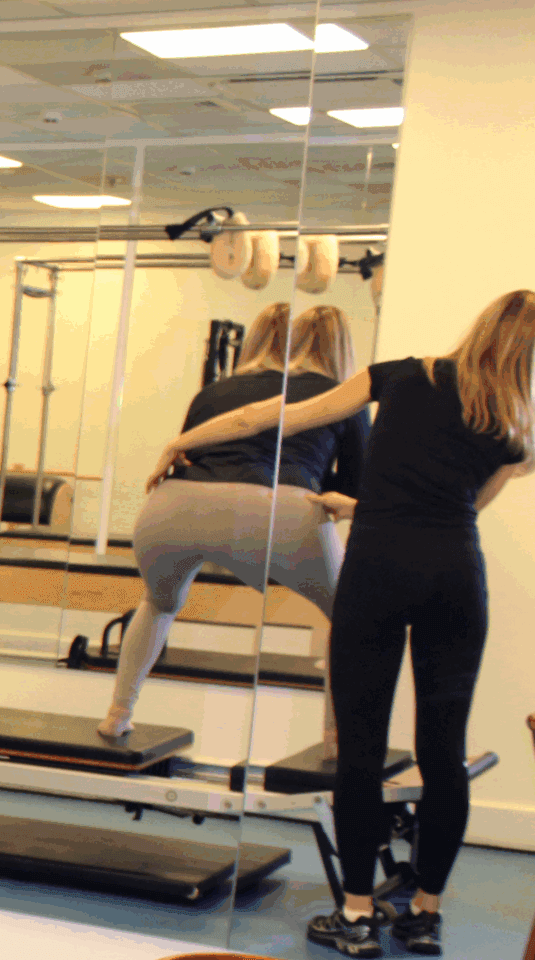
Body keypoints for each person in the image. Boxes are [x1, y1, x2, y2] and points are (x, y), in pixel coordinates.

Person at [151, 288, 535, 960]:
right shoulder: (517, 430)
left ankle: (356, 913)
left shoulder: (400, 375)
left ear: (482, 326)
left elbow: (271, 417)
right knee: (444, 752)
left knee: (360, 747)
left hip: (379, 571)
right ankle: (425, 915)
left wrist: (181, 441)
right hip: (454, 578)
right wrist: (357, 504)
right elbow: (457, 507)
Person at [99, 302, 366, 743]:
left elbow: (190, 455)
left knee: (159, 604)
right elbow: (358, 484)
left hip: (174, 506)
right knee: (350, 619)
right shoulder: (341, 396)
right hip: (280, 507)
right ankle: (337, 742)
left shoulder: (212, 393)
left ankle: (117, 714)